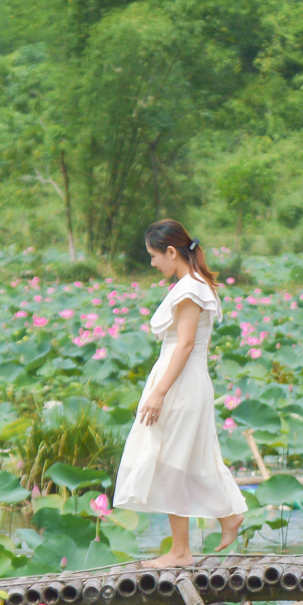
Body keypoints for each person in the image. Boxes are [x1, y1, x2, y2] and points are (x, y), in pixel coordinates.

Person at [113, 220, 247, 567]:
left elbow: (185, 345)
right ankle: (219, 521)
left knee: (173, 460)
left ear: (171, 252)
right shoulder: (194, 285)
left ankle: (182, 550)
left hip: (181, 382)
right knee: (183, 459)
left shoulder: (191, 289)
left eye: (154, 256)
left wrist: (158, 393)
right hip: (182, 379)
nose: (152, 263)